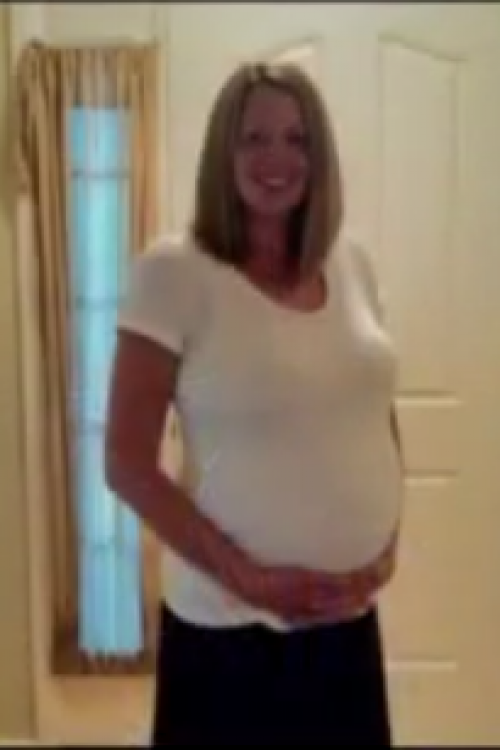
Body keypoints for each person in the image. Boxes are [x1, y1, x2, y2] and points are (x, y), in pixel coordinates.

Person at [105, 61, 404, 746]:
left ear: (319, 157)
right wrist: (249, 579)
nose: (277, 159)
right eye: (255, 138)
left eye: (297, 140)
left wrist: (389, 540)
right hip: (229, 636)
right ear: (224, 151)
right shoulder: (174, 272)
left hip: (347, 626)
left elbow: (376, 408)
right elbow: (125, 462)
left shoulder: (353, 263)